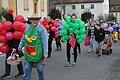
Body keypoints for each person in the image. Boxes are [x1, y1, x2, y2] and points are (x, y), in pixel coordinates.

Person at [1, 9, 24, 79]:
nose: (2, 20)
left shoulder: (14, 25)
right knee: (8, 59)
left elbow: (17, 36)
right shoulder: (6, 26)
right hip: (8, 46)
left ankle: (21, 72)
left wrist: (15, 47)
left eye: (4, 19)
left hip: (14, 46)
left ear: (7, 19)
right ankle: (7, 73)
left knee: (16, 59)